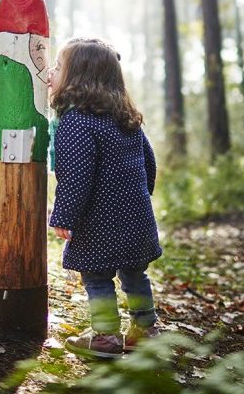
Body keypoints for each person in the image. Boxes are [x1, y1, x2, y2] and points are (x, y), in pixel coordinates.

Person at [48, 37, 162, 359]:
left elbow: (75, 175)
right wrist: (138, 197)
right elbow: (149, 162)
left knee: (97, 277)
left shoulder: (76, 122)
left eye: (58, 68)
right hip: (136, 216)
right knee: (135, 273)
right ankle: (146, 329)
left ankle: (107, 336)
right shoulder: (125, 119)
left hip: (100, 221)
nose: (50, 74)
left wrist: (64, 216)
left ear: (77, 78)